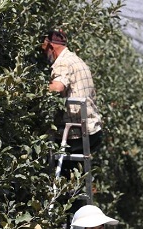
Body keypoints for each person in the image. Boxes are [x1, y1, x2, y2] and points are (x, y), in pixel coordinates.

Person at [41, 29, 104, 160]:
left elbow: (58, 87)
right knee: (70, 171)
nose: (44, 54)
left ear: (51, 46)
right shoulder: (76, 60)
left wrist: (35, 90)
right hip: (92, 129)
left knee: (39, 146)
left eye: (44, 50)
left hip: (77, 133)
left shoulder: (62, 62)